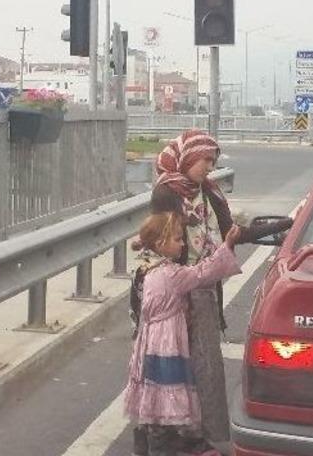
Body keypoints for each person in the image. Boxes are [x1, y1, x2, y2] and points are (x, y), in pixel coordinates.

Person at [147, 130, 293, 448]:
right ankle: (168, 435)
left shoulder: (210, 193)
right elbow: (162, 244)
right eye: (205, 160)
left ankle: (201, 435)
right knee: (172, 366)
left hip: (203, 290)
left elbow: (233, 234)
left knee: (206, 366)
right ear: (188, 157)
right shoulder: (166, 194)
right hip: (175, 294)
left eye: (213, 162)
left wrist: (284, 226)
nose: (209, 168)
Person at [124, 213, 242, 456]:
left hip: (148, 339)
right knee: (167, 390)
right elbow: (203, 273)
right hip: (166, 341)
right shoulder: (170, 275)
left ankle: (147, 440)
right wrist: (227, 246)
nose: (182, 244)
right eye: (177, 239)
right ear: (160, 243)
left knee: (153, 391)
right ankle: (161, 446)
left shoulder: (143, 267)